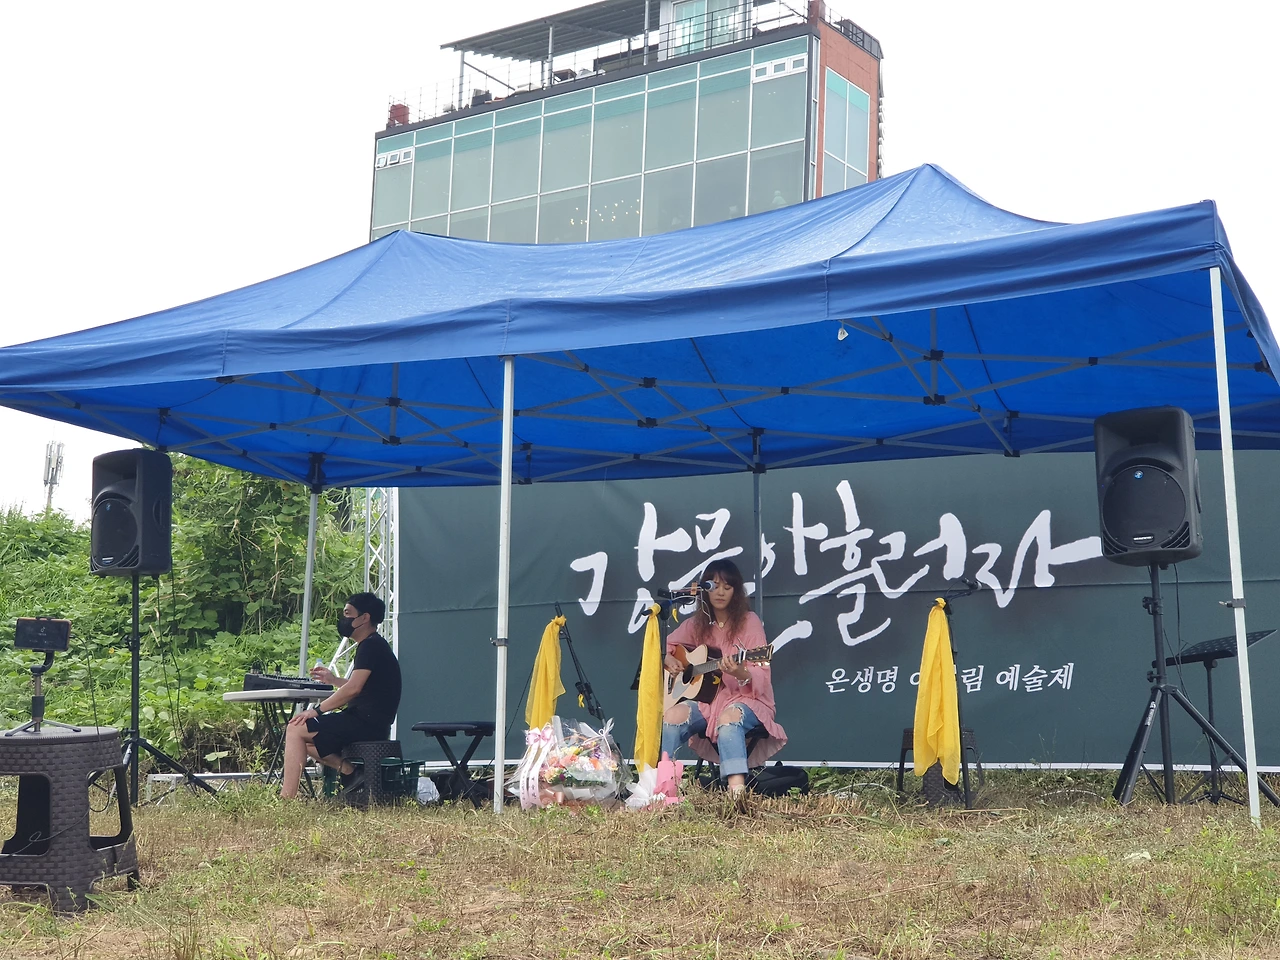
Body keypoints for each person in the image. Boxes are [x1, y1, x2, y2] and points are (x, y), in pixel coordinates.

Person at [660, 559, 785, 796]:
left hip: (749, 700)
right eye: (714, 586)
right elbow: (663, 645)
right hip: (710, 702)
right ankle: (665, 787)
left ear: (736, 592)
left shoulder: (749, 621)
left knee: (729, 719)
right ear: (705, 590)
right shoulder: (696, 624)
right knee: (672, 715)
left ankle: (737, 794)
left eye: (727, 587)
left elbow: (761, 671)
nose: (720, 592)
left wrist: (740, 672)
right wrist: (669, 659)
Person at [280, 592, 401, 799]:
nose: (343, 619)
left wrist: (316, 711)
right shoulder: (374, 645)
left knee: (295, 728)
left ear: (364, 618)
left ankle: (286, 798)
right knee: (303, 742)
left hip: (366, 722)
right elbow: (366, 688)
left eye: (347, 614)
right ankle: (351, 773)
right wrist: (334, 680)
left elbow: (354, 689)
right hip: (371, 721)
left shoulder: (370, 646)